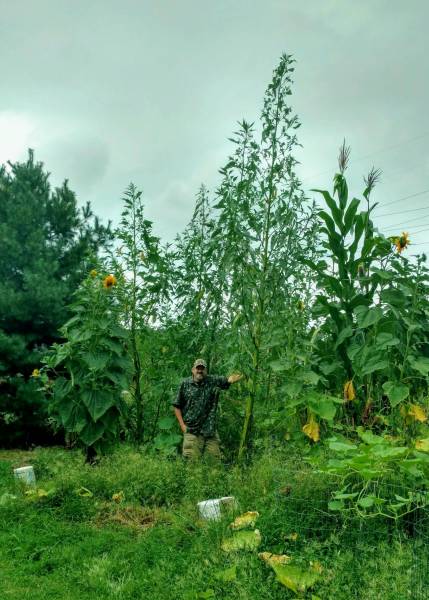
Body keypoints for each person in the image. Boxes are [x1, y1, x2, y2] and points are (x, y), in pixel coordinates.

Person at [172, 358, 242, 460]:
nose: (200, 371)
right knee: (192, 463)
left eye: (202, 369)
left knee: (213, 463)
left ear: (206, 371)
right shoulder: (185, 384)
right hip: (192, 431)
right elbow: (177, 406)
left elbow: (228, 380)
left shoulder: (212, 381)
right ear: (193, 370)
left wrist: (240, 375)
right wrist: (182, 425)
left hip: (210, 431)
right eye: (198, 368)